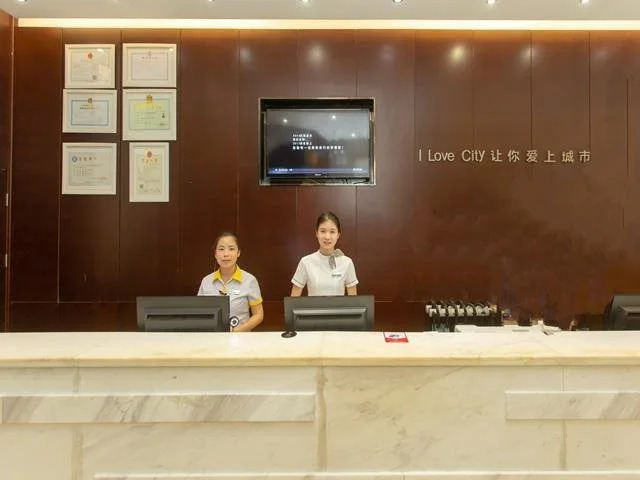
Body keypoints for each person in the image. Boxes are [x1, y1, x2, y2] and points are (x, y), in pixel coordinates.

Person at [197, 232, 264, 332]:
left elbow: (258, 315)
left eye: (231, 249)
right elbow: (199, 313)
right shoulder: (206, 281)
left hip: (241, 337)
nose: (226, 254)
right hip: (212, 337)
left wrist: (236, 331)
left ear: (238, 253)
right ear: (215, 254)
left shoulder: (250, 280)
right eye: (221, 249)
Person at [291, 212, 358, 296]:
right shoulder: (305, 262)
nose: (327, 237)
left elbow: (353, 299)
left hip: (339, 306)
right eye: (323, 231)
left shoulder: (347, 262)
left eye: (332, 232)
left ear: (338, 235)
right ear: (317, 233)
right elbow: (294, 298)